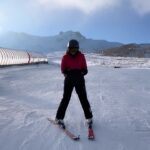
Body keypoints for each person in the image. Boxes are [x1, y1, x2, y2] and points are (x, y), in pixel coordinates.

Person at [55, 39, 93, 127]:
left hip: (79, 80)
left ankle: (89, 117)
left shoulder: (81, 56)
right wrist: (68, 73)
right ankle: (59, 118)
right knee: (65, 98)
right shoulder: (65, 57)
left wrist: (82, 72)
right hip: (69, 81)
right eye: (71, 49)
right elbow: (63, 69)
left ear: (77, 48)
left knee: (83, 98)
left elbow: (85, 69)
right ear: (68, 49)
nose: (73, 51)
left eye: (75, 49)